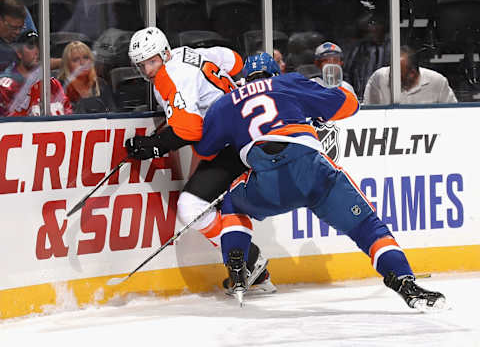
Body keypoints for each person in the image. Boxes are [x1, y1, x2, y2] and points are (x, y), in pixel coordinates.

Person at [192, 52, 446, 310]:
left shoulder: (225, 103)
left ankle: (237, 265)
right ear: (274, 72)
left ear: (244, 79)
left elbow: (204, 150)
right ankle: (404, 280)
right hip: (312, 171)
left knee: (234, 204)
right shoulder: (288, 82)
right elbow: (349, 104)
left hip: (268, 181)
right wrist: (319, 110)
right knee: (367, 226)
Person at [124, 27, 276, 294]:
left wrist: (152, 146)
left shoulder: (165, 76)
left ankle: (251, 262)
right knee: (218, 202)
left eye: (151, 61)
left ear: (164, 53)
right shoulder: (193, 53)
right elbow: (235, 61)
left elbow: (190, 130)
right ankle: (253, 267)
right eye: (141, 65)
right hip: (248, 133)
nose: (148, 71)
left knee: (191, 207)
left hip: (233, 141)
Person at [0, 30, 72, 116]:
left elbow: (68, 115)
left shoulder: (53, 84)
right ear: (19, 53)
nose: (38, 52)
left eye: (40, 47)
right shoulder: (5, 87)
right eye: (31, 47)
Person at [363, 46, 458, 105]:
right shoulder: (379, 78)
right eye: (391, 70)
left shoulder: (438, 82)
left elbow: (453, 114)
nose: (391, 76)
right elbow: (369, 114)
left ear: (412, 73)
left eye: (397, 74)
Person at [57, 41, 116, 113]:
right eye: (76, 60)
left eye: (86, 58)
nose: (82, 63)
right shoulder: (60, 87)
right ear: (67, 65)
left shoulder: (100, 84)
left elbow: (113, 113)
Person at [0, 0, 26, 69]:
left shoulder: (18, 41)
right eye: (14, 27)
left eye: (20, 28)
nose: (18, 32)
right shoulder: (5, 52)